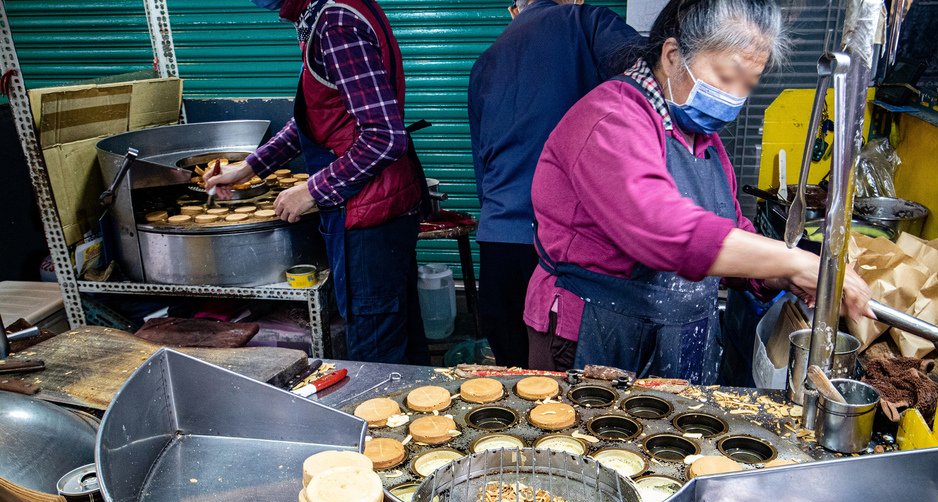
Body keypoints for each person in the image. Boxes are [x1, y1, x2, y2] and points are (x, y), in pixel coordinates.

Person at [524, 0, 873, 380]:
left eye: (747, 85)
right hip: (596, 333)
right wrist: (794, 260)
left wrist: (780, 276)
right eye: (726, 77)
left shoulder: (703, 141)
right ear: (673, 55)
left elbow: (731, 229)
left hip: (680, 339)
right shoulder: (612, 118)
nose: (736, 97)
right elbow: (662, 228)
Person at [207, 0, 429, 365]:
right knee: (402, 344)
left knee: (377, 359)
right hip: (382, 208)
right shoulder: (327, 15)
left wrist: (312, 190)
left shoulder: (336, 22)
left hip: (367, 216)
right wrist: (247, 169)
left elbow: (384, 137)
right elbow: (316, 118)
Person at [468, 0, 640, 367]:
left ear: (515, 9)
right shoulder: (586, 22)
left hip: (498, 245)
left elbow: (482, 169)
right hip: (559, 251)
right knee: (567, 392)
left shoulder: (485, 61)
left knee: (513, 383)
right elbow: (653, 80)